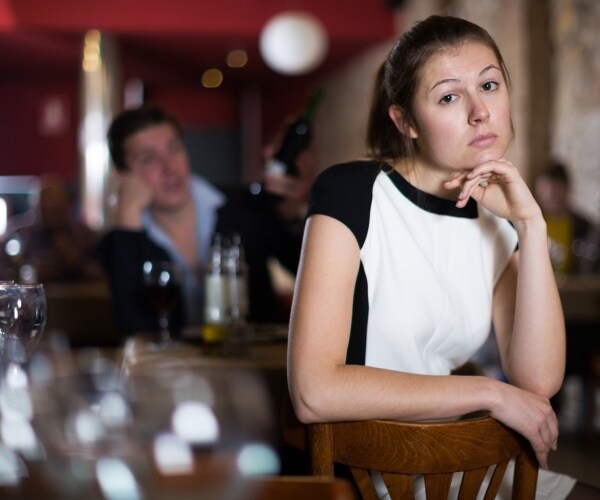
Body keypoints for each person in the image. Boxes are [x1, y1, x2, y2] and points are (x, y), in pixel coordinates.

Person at [288, 15, 598, 499]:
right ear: (405, 121)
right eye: (450, 96)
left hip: (463, 465)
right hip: (370, 474)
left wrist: (530, 227)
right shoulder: (353, 192)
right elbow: (314, 391)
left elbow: (537, 381)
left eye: (490, 85)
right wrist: (490, 394)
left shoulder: (497, 217)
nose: (481, 112)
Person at [96, 105, 309, 335]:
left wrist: (291, 215)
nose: (169, 168)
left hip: (256, 365)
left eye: (174, 149)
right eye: (149, 159)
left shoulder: (242, 207)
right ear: (123, 175)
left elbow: (306, 270)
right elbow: (132, 329)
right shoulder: (121, 242)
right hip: (172, 370)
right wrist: (128, 223)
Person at [0, 174, 102, 283]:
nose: (50, 215)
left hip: (77, 298)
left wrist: (76, 263)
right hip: (30, 297)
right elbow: (4, 273)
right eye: (44, 208)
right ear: (34, 208)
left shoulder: (85, 235)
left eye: (55, 209)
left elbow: (102, 275)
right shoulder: (18, 234)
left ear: (67, 206)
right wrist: (28, 271)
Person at [534, 161, 600, 275]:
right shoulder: (532, 225)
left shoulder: (585, 228)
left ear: (567, 188)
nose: (550, 196)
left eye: (555, 190)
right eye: (545, 190)